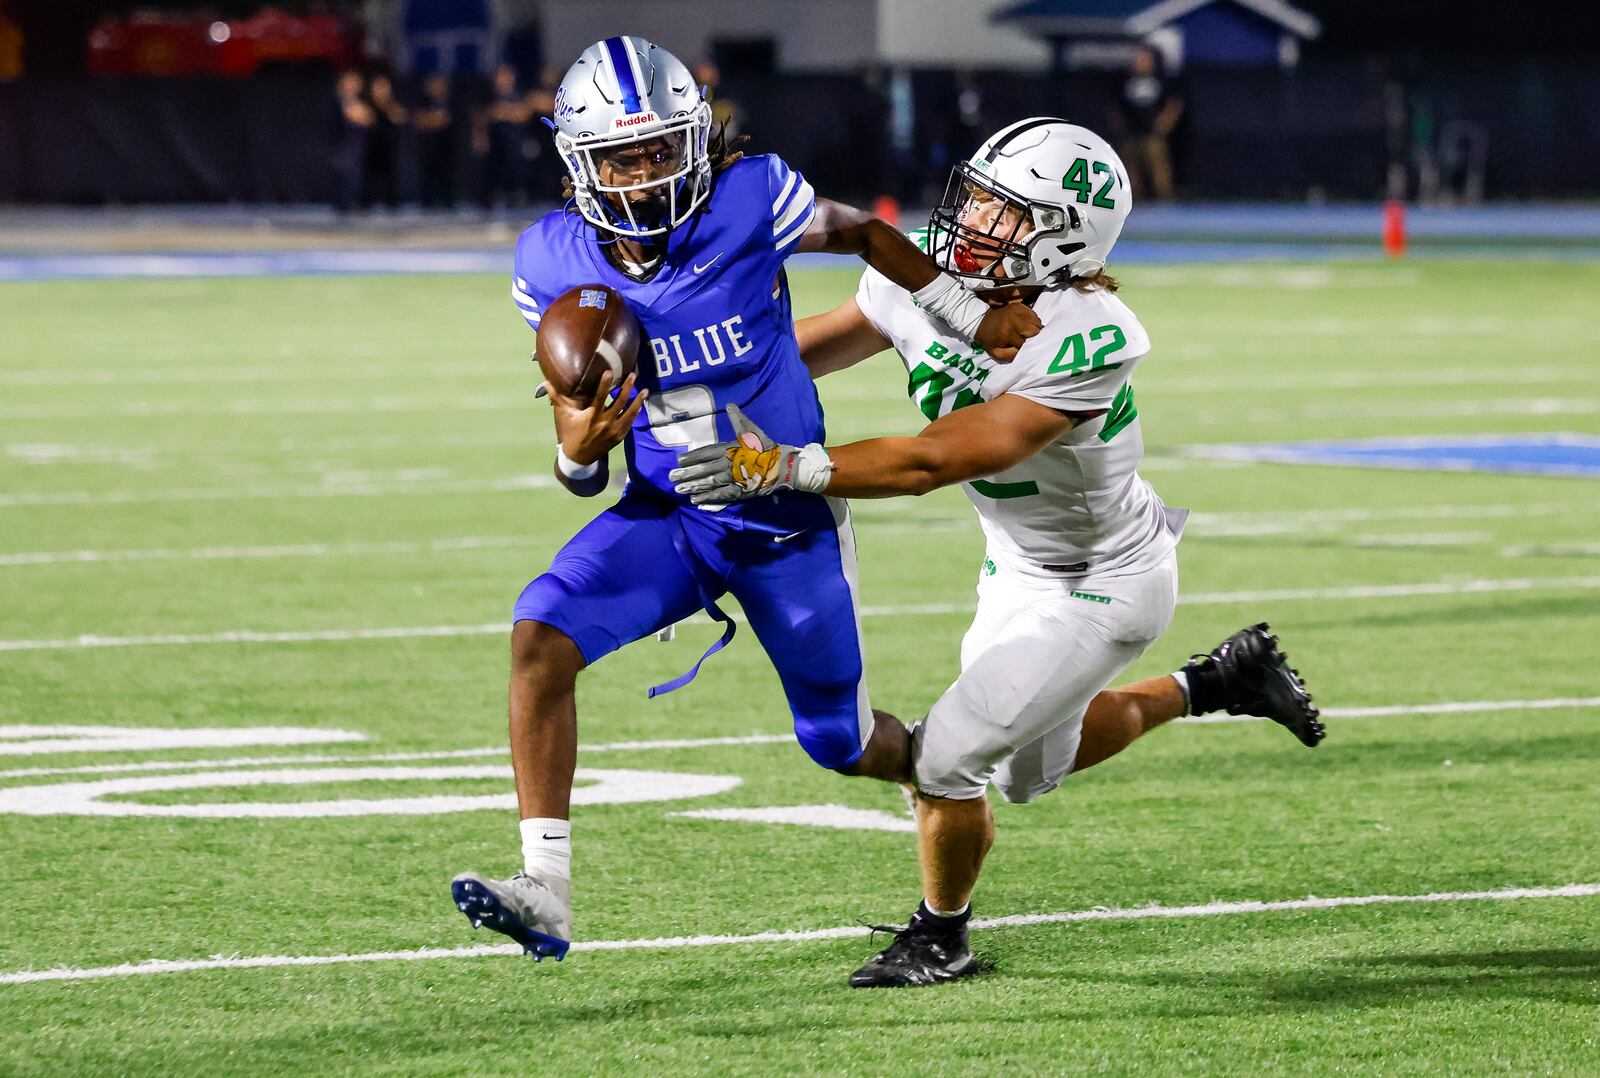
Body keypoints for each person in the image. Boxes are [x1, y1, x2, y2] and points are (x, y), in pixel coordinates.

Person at [670, 118, 1322, 987]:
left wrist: (785, 466)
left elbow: (934, 461)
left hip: (1105, 582)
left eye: (1004, 211)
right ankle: (1216, 681)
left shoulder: (1092, 333)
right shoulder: (927, 286)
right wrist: (669, 375)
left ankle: (942, 936)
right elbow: (795, 355)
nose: (972, 218)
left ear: (1064, 237)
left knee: (946, 759)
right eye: (975, 194)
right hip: (1015, 566)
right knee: (1022, 776)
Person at [448, 36, 1042, 961]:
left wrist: (962, 310)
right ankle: (546, 888)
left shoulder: (751, 196)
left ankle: (936, 772)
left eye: (657, 152)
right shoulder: (548, 258)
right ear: (579, 163)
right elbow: (577, 448)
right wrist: (575, 458)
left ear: (694, 141)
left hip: (781, 519)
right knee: (539, 636)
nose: (642, 177)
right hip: (669, 515)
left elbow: (867, 235)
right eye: (620, 158)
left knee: (839, 743)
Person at [1114, 47, 1183, 202]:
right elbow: (1116, 107)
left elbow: (1175, 103)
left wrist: (1165, 122)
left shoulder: (1161, 79)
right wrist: (1120, 126)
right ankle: (1132, 200)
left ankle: (1165, 200)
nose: (1141, 63)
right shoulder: (1126, 80)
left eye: (1144, 60)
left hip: (1153, 133)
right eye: (1139, 60)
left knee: (1159, 166)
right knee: (1130, 168)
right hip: (1131, 132)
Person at [332, 70, 374, 214]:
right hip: (342, 144)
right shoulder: (338, 102)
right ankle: (342, 205)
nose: (352, 85)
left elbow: (368, 119)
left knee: (357, 176)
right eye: (349, 82)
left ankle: (357, 203)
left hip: (359, 144)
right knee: (344, 174)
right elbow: (350, 117)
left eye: (354, 82)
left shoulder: (362, 102)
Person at [413, 74, 456, 209]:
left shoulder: (450, 101)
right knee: (428, 175)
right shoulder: (423, 101)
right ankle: (427, 202)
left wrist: (434, 120)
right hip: (427, 146)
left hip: (446, 147)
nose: (436, 87)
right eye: (433, 84)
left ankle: (447, 202)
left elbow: (447, 120)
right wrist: (434, 119)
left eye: (439, 84)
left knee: (446, 175)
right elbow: (419, 119)